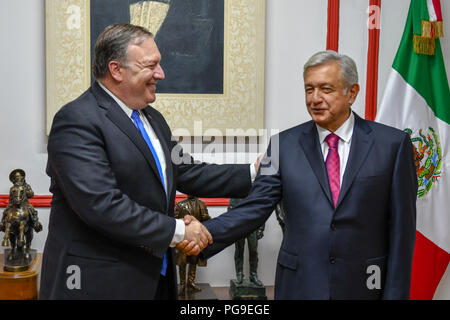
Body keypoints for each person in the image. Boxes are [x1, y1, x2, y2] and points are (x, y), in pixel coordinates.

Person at [40, 23, 256, 299]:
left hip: (154, 278)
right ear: (116, 69)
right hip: (97, 284)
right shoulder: (77, 120)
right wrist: (179, 230)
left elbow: (187, 171)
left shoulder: (151, 118)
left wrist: (254, 172)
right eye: (151, 65)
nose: (161, 74)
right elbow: (101, 205)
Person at [199, 51, 418, 299]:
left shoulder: (392, 145)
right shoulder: (282, 146)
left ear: (352, 93)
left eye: (326, 89)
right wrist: (203, 234)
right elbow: (254, 208)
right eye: (309, 89)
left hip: (366, 285)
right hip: (300, 285)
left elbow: (402, 231)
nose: (315, 99)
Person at [174, 195, 211, 295]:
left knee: (193, 261)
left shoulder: (202, 204)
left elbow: (207, 220)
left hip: (197, 240)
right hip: (183, 239)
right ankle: (182, 284)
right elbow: (174, 220)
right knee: (182, 262)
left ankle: (191, 282)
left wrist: (206, 218)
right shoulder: (180, 204)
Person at [228, 198, 264, 286]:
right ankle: (239, 274)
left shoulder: (255, 193)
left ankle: (253, 274)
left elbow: (262, 212)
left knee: (253, 251)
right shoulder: (235, 195)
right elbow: (230, 213)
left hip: (253, 226)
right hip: (239, 227)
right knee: (239, 250)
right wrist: (232, 228)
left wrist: (261, 228)